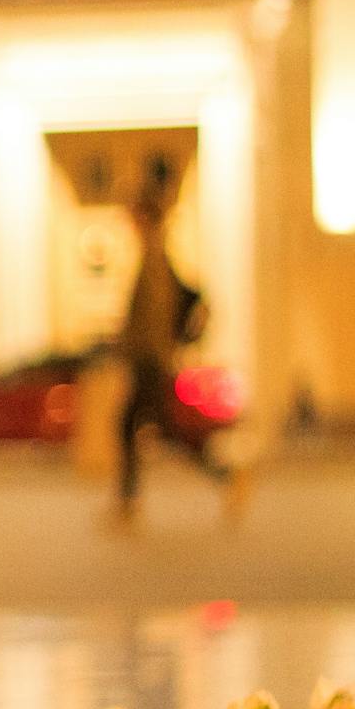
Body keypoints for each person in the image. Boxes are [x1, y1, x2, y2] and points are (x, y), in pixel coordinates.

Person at [115, 157, 245, 523]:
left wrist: (146, 352)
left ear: (143, 217)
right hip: (152, 359)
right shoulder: (155, 253)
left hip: (150, 362)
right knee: (155, 430)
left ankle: (223, 477)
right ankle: (223, 478)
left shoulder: (154, 256)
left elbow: (153, 316)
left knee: (138, 429)